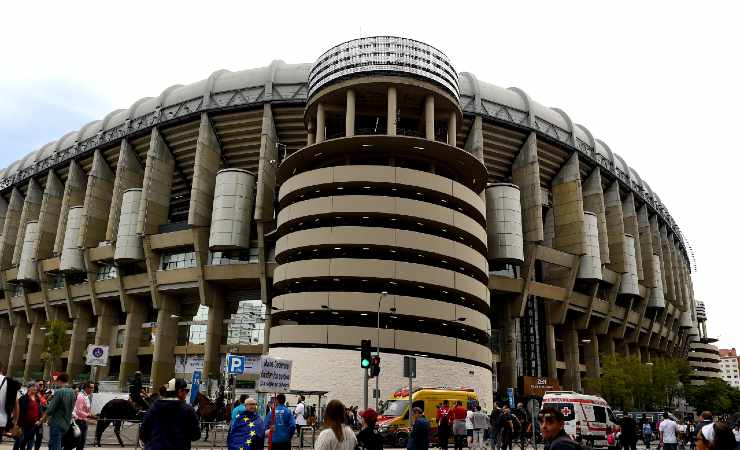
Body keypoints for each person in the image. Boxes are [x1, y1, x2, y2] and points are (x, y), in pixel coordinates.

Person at [140, 378, 200, 450]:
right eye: (186, 391)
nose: (186, 393)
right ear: (180, 391)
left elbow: (143, 433)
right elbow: (196, 435)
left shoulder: (154, 407)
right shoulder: (188, 410)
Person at [37, 373, 76, 450]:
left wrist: (42, 419)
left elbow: (51, 408)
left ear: (59, 381)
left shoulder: (59, 392)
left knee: (55, 444)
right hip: (66, 422)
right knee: (53, 443)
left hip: (57, 422)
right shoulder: (72, 392)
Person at [13, 382, 41, 450]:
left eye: (35, 387)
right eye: (33, 386)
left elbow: (39, 410)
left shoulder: (37, 399)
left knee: (30, 441)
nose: (35, 388)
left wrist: (39, 420)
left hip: (34, 424)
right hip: (23, 424)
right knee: (19, 440)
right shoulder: (23, 398)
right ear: (28, 388)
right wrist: (17, 423)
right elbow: (17, 410)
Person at [0, 363, 21, 441]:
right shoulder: (10, 382)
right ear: (2, 369)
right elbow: (16, 404)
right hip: (2, 421)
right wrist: (15, 423)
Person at [73, 382, 97, 450]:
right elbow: (79, 411)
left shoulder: (86, 396)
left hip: (83, 422)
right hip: (79, 422)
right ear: (86, 388)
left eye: (93, 388)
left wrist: (91, 415)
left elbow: (85, 410)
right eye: (91, 388)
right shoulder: (81, 397)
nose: (93, 389)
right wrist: (90, 416)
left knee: (81, 443)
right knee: (78, 443)